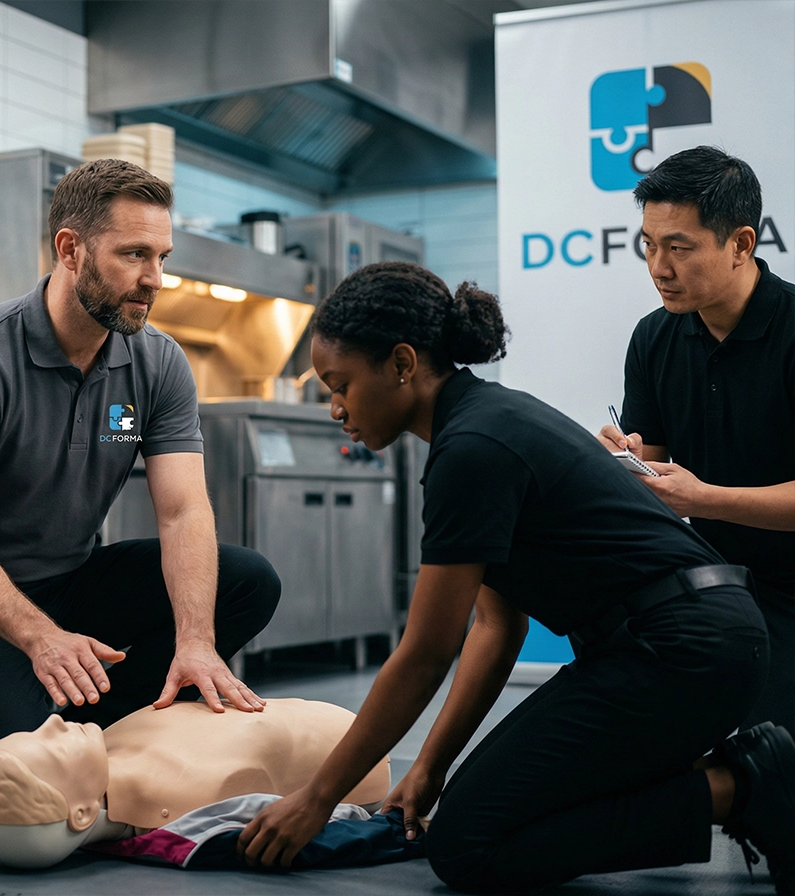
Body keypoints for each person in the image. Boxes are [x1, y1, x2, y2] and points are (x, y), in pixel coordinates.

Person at [235, 262, 794, 894]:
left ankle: (742, 787)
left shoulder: (472, 448)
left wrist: (316, 799)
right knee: (481, 814)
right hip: (696, 641)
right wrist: (430, 768)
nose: (336, 408)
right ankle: (719, 780)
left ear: (402, 364)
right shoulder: (484, 421)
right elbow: (496, 627)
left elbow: (425, 654)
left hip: (681, 651)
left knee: (468, 844)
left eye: (341, 386)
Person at [0, 158, 281, 804]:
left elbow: (183, 511)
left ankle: (89, 719)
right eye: (134, 255)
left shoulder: (158, 362)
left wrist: (196, 642)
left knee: (248, 580)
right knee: (14, 787)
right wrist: (41, 639)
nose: (155, 280)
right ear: (70, 250)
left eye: (161, 257)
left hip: (70, 580)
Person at [597, 146, 795, 734]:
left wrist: (704, 498)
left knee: (770, 751)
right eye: (648, 246)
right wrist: (628, 463)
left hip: (789, 588)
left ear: (741, 244)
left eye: (679, 248)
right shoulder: (653, 337)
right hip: (713, 582)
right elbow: (654, 467)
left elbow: (696, 497)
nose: (659, 267)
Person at [0, 699, 391, 868]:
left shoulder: (106, 745)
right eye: (52, 747)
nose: (53, 723)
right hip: (356, 751)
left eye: (37, 732)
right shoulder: (193, 791)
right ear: (82, 813)